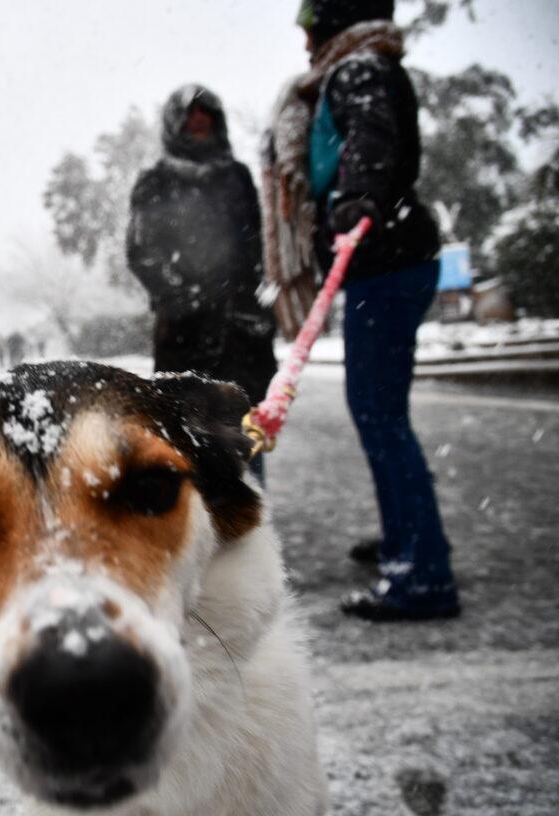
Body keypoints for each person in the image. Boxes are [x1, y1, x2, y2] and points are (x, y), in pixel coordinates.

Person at [264, 0, 458, 620]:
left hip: (387, 259)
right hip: (392, 260)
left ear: (331, 22)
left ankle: (422, 571)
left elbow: (371, 140)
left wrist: (355, 201)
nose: (304, 45)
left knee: (378, 415)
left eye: (309, 28)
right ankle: (406, 535)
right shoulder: (362, 66)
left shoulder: (359, 70)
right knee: (381, 413)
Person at [127, 84, 277, 482]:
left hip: (238, 334)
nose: (199, 127)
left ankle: (249, 533)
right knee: (187, 446)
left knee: (243, 440)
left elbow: (253, 249)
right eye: (190, 120)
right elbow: (141, 252)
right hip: (184, 335)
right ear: (174, 126)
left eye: (206, 120)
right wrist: (184, 295)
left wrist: (252, 307)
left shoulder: (237, 178)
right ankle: (200, 536)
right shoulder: (155, 182)